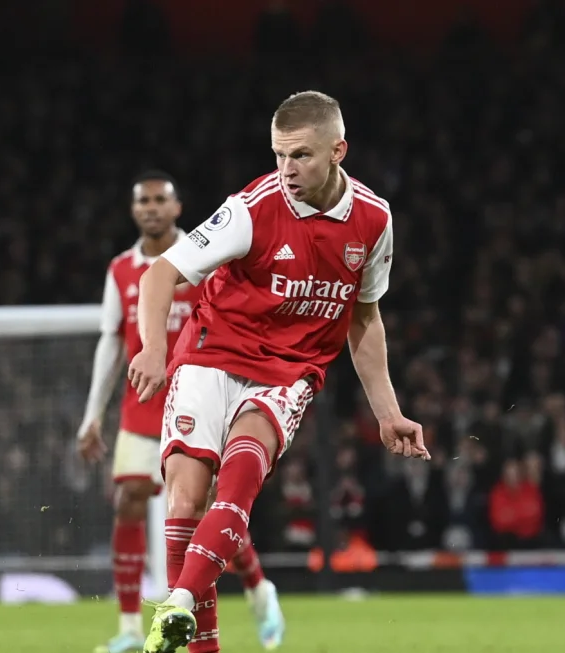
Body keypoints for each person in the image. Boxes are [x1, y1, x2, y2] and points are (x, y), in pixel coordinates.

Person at [127, 91, 429, 653]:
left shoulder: (374, 219)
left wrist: (389, 412)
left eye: (301, 157)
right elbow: (159, 276)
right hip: (211, 354)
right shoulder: (252, 208)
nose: (286, 171)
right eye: (278, 156)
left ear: (339, 150)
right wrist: (151, 348)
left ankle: (179, 605)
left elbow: (364, 317)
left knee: (238, 482)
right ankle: (199, 635)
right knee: (186, 505)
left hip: (288, 373)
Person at [79, 171, 284, 653]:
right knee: (130, 500)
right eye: (142, 201)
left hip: (198, 400)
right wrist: (93, 414)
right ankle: (130, 629)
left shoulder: (202, 256)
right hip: (141, 407)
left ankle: (258, 589)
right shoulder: (121, 270)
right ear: (134, 211)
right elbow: (110, 343)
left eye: (159, 200)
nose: (151, 208)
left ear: (176, 208)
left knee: (204, 512)